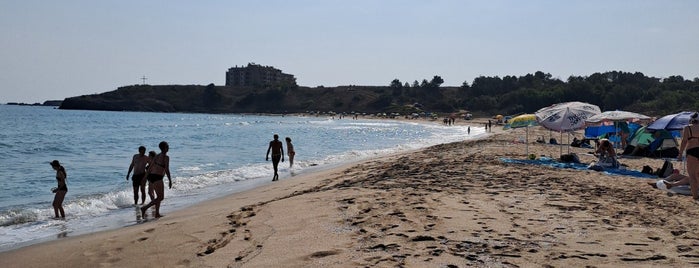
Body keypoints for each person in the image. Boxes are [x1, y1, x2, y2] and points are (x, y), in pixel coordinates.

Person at [141, 141, 172, 218]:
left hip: (152, 176)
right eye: (167, 146)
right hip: (157, 177)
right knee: (161, 197)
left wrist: (145, 178)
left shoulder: (157, 156)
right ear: (164, 148)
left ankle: (157, 213)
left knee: (158, 197)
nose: (168, 148)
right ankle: (145, 208)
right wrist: (170, 180)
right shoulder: (166, 157)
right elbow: (167, 169)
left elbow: (150, 168)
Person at [678, 112, 699, 200]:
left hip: (692, 151)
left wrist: (680, 154)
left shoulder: (688, 128)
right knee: (698, 174)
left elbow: (684, 142)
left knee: (692, 175)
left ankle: (695, 196)